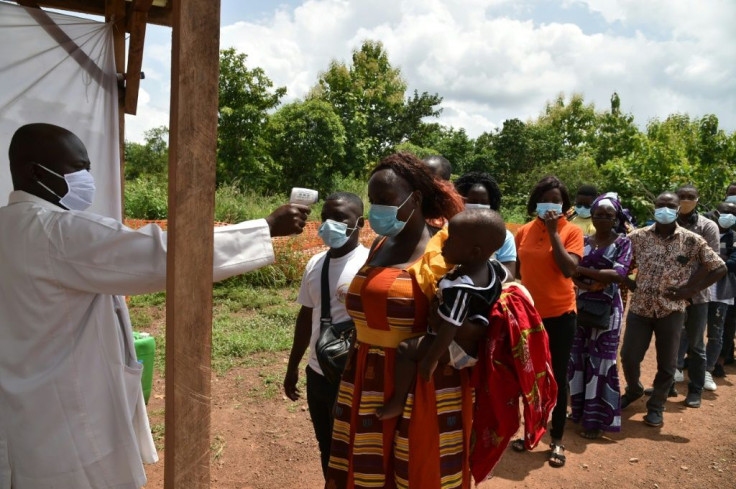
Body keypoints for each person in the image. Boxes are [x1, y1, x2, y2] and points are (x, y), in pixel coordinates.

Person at [0, 123, 310, 489]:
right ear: (36, 171)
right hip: (69, 424)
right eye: (78, 168)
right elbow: (163, 254)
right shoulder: (55, 232)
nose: (88, 178)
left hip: (25, 411)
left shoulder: (9, 226)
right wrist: (264, 228)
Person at [324, 152, 473, 488]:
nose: (377, 208)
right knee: (368, 472)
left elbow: (467, 320)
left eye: (385, 199)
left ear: (415, 198)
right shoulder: (379, 244)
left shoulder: (445, 250)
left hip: (422, 387)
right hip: (365, 377)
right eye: (373, 200)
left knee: (418, 471)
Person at [376, 208, 508, 420]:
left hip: (459, 349)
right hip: (472, 345)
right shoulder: (493, 270)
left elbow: (450, 327)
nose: (444, 244)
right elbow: (507, 278)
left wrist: (430, 359)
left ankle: (397, 401)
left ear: (474, 252)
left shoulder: (460, 287)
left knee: (405, 350)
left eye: (452, 240)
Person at [619, 191, 725, 428]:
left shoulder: (691, 240)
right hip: (640, 309)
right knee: (628, 356)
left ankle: (656, 405)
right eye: (660, 205)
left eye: (670, 206)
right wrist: (629, 282)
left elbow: (718, 267)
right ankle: (634, 388)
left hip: (672, 310)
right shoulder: (637, 237)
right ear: (654, 208)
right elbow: (620, 262)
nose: (664, 209)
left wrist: (691, 290)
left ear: (678, 210)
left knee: (667, 363)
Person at [283, 192, 369, 478]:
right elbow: (306, 317)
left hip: (353, 376)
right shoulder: (315, 263)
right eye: (326, 218)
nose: (329, 224)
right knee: (327, 445)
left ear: (360, 223)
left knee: (355, 448)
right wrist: (294, 366)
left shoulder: (370, 266)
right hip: (318, 372)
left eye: (340, 218)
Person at [513, 175, 584, 468]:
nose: (551, 205)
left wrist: (554, 232)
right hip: (530, 316)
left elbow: (569, 269)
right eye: (545, 199)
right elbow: (517, 271)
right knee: (528, 376)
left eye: (556, 200)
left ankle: (555, 439)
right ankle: (530, 431)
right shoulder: (523, 231)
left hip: (561, 315)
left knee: (556, 376)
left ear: (565, 204)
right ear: (535, 202)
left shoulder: (573, 232)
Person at [568, 195, 632, 439]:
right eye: (599, 214)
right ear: (592, 216)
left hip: (607, 310)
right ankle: (579, 412)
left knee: (601, 363)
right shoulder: (583, 241)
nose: (603, 218)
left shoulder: (623, 243)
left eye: (608, 215)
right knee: (578, 359)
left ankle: (596, 422)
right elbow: (568, 269)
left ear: (616, 217)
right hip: (581, 305)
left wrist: (582, 271)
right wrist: (583, 280)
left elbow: (617, 274)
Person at [672, 184, 720, 400]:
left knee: (696, 345)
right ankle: (667, 385)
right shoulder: (667, 223)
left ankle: (695, 391)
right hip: (670, 294)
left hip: (698, 295)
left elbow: (711, 262)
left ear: (697, 200)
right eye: (681, 197)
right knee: (669, 342)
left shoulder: (707, 226)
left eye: (690, 197)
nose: (685, 200)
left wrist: (690, 289)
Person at [454, 171, 517, 278]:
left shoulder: (504, 236)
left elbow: (510, 276)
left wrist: (486, 257)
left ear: (491, 204)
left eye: (483, 202)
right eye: (472, 201)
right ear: (461, 201)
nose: (478, 205)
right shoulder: (449, 230)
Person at [704, 202, 736, 379]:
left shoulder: (734, 237)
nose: (729, 215)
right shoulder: (707, 232)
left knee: (717, 332)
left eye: (733, 213)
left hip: (722, 292)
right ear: (717, 213)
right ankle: (685, 364)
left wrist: (712, 257)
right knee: (690, 329)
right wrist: (723, 257)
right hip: (700, 289)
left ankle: (712, 366)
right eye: (726, 212)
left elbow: (733, 264)